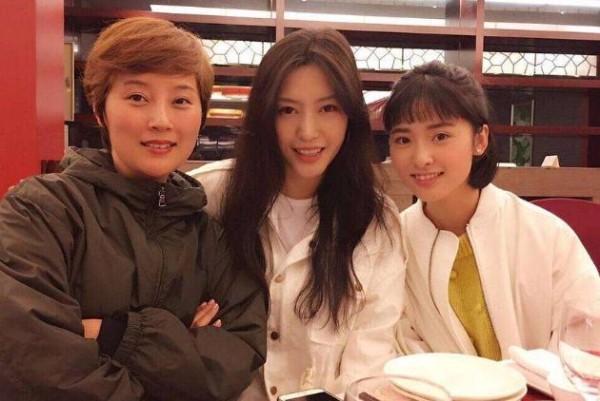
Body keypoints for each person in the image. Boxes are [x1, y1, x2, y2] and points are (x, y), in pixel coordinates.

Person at [0, 17, 267, 400]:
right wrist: (179, 344)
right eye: (138, 97)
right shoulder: (40, 212)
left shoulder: (215, 240)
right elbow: (30, 358)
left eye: (180, 100)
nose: (161, 121)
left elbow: (234, 360)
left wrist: (114, 335)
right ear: (101, 108)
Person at [190, 28, 405, 400]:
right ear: (265, 117)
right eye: (287, 110)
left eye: (328, 108)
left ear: (350, 115)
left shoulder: (376, 220)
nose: (307, 131)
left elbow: (368, 366)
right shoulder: (210, 196)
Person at [383, 60, 600, 360]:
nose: (421, 158)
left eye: (440, 136)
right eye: (403, 139)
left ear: (480, 140)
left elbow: (588, 337)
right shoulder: (393, 245)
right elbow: (397, 345)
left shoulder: (545, 234)